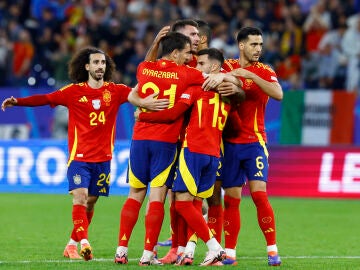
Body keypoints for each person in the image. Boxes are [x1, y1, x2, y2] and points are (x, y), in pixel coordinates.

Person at [1, 46, 169, 261]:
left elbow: (136, 93)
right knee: (79, 198)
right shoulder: (73, 91)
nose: (100, 66)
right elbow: (45, 98)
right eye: (96, 62)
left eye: (103, 63)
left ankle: (71, 244)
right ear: (87, 66)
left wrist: (145, 103)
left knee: (90, 202)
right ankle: (84, 243)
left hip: (104, 159)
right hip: (79, 158)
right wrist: (18, 102)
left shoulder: (115, 90)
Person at [135, 48, 242, 266]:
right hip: (214, 156)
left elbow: (173, 114)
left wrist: (143, 114)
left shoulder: (195, 90)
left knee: (182, 203)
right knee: (195, 205)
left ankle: (214, 247)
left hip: (193, 151)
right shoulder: (228, 95)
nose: (196, 67)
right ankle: (190, 250)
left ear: (213, 67)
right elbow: (236, 127)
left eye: (201, 64)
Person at [114, 32, 207, 266]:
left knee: (135, 194)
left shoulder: (144, 68)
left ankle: (121, 250)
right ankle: (147, 255)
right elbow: (210, 76)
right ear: (175, 53)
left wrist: (155, 43)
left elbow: (149, 63)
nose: (190, 57)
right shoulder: (187, 74)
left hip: (139, 139)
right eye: (187, 52)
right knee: (157, 196)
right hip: (165, 142)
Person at [204, 26, 283, 266]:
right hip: (228, 144)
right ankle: (230, 253)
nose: (258, 49)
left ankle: (272, 250)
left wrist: (250, 77)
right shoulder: (227, 65)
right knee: (232, 200)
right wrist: (227, 79)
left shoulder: (265, 71)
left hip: (255, 142)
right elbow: (210, 77)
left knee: (260, 194)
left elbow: (278, 94)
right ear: (241, 45)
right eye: (253, 44)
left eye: (260, 44)